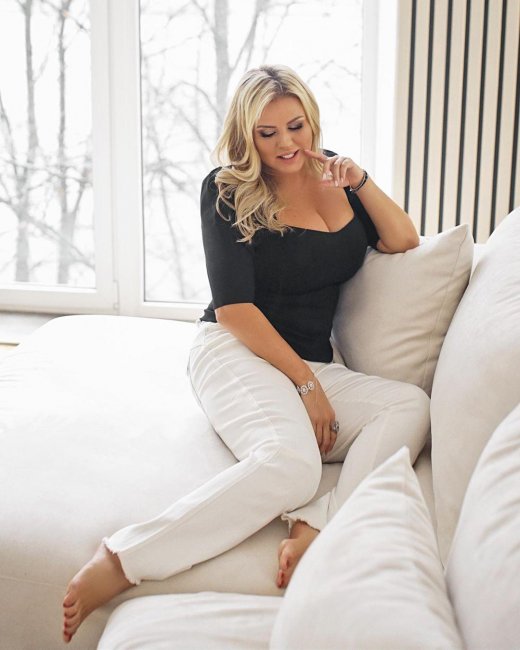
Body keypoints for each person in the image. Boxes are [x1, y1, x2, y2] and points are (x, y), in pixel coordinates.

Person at [61, 64, 430, 643]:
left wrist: (360, 180)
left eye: (295, 126)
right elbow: (234, 309)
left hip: (313, 361)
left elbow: (403, 239)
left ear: (311, 120)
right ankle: (123, 559)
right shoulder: (226, 188)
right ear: (247, 135)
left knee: (409, 405)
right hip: (235, 350)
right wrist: (306, 385)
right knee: (292, 464)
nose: (286, 143)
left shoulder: (338, 177)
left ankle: (317, 522)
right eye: (267, 133)